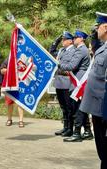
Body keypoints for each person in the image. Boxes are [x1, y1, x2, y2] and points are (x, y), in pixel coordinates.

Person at [79, 12, 107, 168]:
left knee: (105, 150)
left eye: (98, 27)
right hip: (98, 108)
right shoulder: (103, 47)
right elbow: (95, 44)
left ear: (105, 27)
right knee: (103, 151)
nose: (95, 30)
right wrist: (94, 33)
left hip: (103, 108)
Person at [59, 30, 93, 142]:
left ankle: (77, 133)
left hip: (79, 81)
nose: (73, 39)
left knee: (77, 108)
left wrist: (58, 64)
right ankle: (88, 131)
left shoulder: (81, 50)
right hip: (78, 80)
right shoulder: (81, 49)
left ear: (82, 39)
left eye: (76, 37)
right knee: (80, 106)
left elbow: (72, 65)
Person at [50, 31, 75, 137]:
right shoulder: (61, 50)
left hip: (67, 81)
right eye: (62, 39)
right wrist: (56, 41)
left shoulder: (74, 50)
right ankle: (65, 127)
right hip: (59, 81)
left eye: (64, 39)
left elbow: (71, 66)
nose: (63, 41)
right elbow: (52, 52)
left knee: (69, 106)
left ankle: (70, 128)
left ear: (70, 41)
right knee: (63, 106)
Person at [0, 59, 25, 127]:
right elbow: (2, 71)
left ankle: (21, 120)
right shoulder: (8, 59)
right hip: (10, 85)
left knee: (20, 103)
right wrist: (10, 70)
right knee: (9, 102)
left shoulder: (22, 57)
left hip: (20, 85)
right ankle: (9, 119)